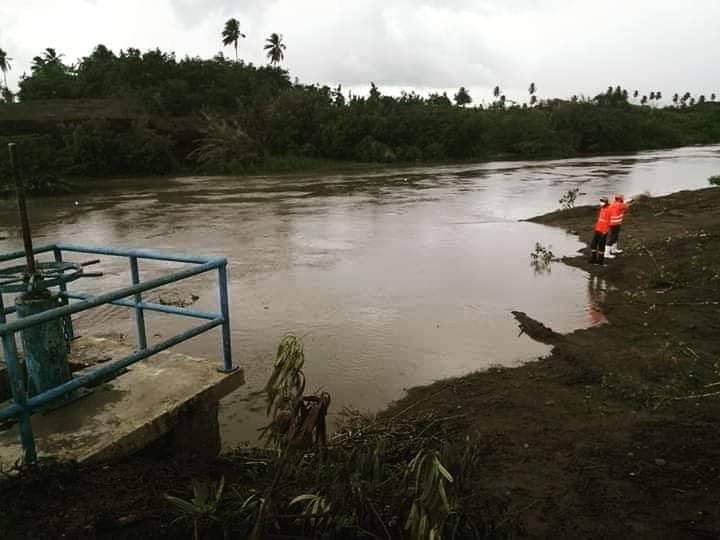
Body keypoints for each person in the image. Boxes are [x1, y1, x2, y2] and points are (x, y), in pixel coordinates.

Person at [589, 196, 611, 265]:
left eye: (603, 201)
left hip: (603, 231)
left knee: (601, 246)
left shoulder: (608, 210)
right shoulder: (602, 208)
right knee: (593, 244)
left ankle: (600, 261)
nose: (601, 202)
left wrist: (605, 231)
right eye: (601, 201)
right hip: (598, 229)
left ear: (606, 202)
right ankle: (593, 258)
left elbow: (608, 222)